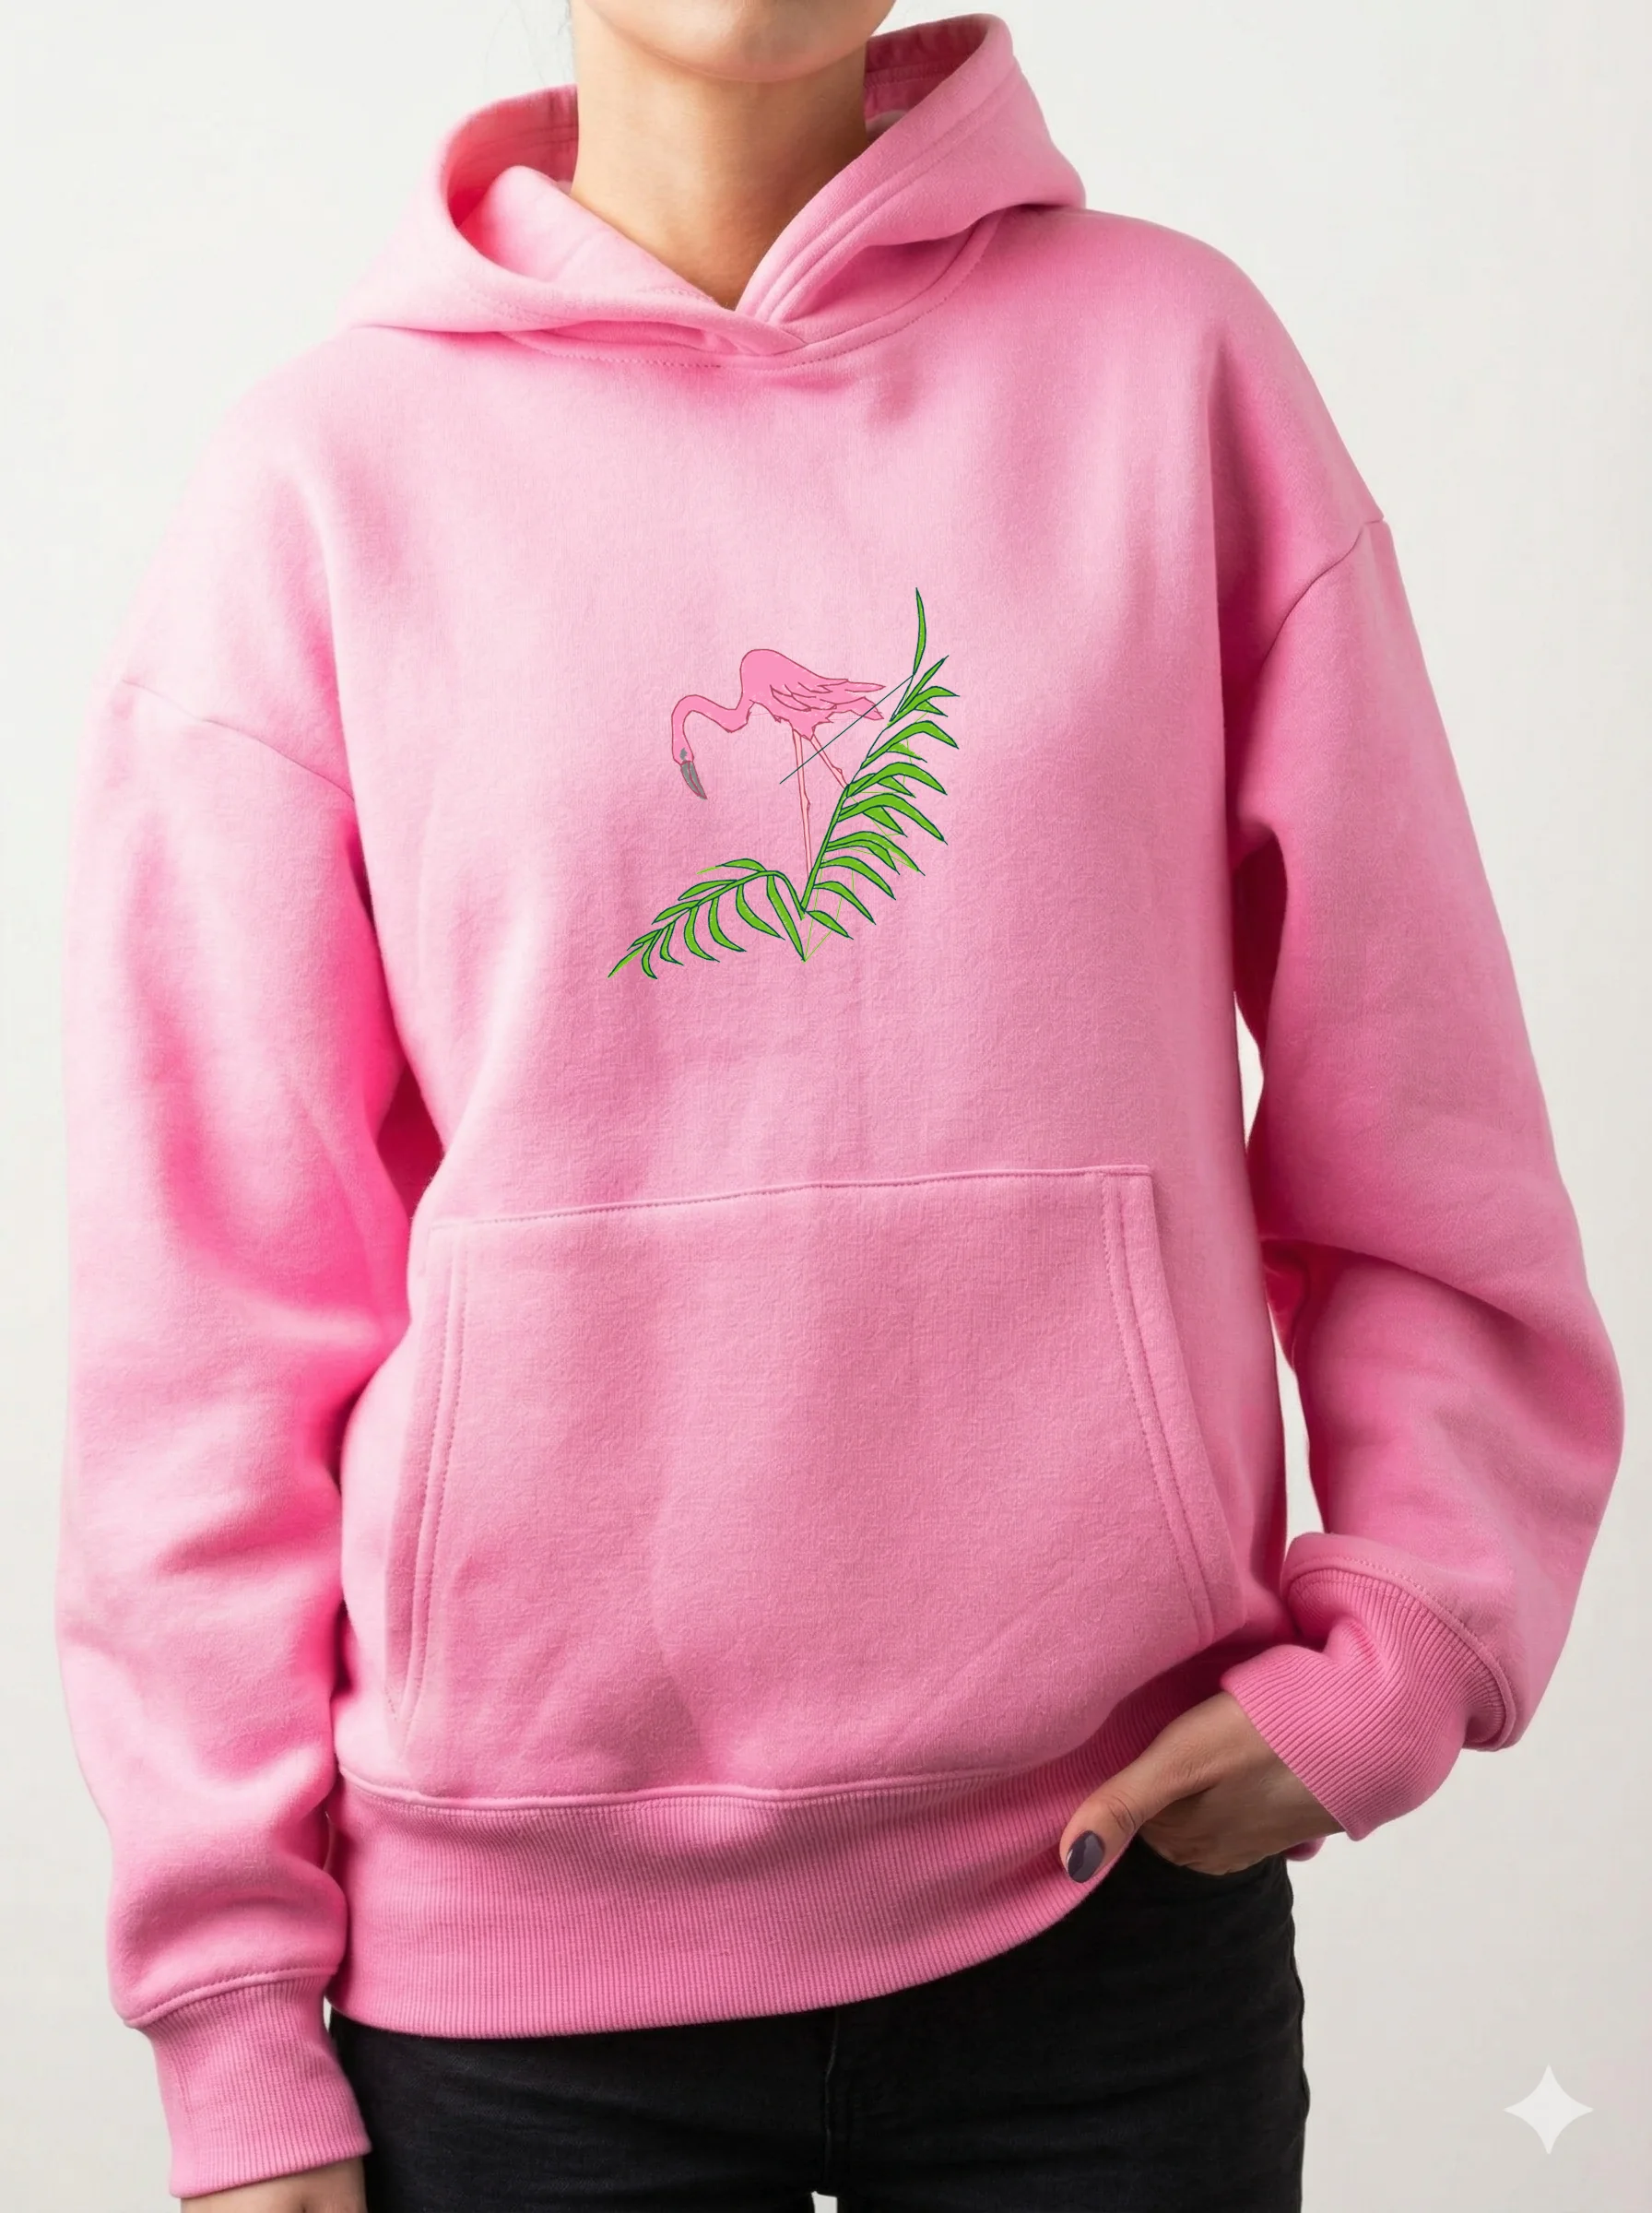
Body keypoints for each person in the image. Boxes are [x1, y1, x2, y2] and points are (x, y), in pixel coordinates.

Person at [56, 6, 1624, 2210]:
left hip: (1104, 1920)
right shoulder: (325, 482)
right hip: (506, 2003)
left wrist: (1409, 1633)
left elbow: (1416, 1088)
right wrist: (229, 2007)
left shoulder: (1168, 371)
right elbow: (207, 1309)